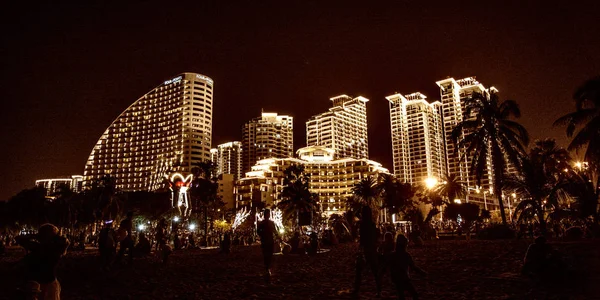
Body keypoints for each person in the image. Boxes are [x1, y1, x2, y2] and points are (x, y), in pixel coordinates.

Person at [16, 223, 69, 300]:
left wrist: (34, 236)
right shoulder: (54, 248)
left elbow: (19, 239)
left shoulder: (42, 248)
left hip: (43, 284)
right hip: (46, 283)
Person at [353, 206, 382, 297]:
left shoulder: (362, 224)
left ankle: (356, 290)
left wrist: (360, 249)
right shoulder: (372, 224)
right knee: (375, 272)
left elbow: (362, 238)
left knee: (359, 271)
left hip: (366, 249)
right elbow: (375, 237)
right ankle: (379, 291)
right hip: (372, 249)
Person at [390, 234, 426, 300]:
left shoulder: (392, 255)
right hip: (404, 278)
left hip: (395, 278)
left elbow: (387, 265)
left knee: (401, 295)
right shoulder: (406, 255)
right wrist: (422, 273)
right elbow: (413, 267)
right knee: (414, 294)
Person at [257, 208, 278, 284]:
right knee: (267, 254)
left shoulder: (267, 223)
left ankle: (267, 267)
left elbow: (275, 231)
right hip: (266, 240)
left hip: (268, 240)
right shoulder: (262, 223)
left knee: (268, 254)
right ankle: (267, 268)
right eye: (268, 214)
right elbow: (258, 231)